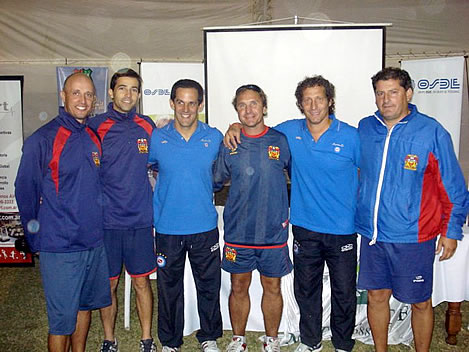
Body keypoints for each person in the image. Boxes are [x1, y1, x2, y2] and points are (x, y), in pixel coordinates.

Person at [225, 76, 360, 352]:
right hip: (304, 227)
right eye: (307, 100)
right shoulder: (289, 133)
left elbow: (367, 173)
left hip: (342, 227)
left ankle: (343, 344)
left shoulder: (351, 136)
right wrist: (234, 125)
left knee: (344, 292)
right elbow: (256, 130)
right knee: (306, 290)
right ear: (300, 104)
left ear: (330, 101)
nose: (313, 105)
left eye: (319, 98)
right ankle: (311, 342)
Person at [356, 67, 469, 352]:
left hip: (413, 236)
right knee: (377, 296)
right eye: (380, 93)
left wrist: (451, 230)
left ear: (408, 93)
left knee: (419, 301)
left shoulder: (431, 131)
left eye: (393, 92)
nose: (386, 99)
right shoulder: (366, 128)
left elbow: (453, 187)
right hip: (373, 236)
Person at [15, 72, 111, 352]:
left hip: (93, 242)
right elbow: (25, 190)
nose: (83, 100)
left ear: (95, 100)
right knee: (61, 322)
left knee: (84, 308)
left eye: (89, 94)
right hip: (61, 246)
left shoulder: (93, 136)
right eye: (76, 93)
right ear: (63, 96)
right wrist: (36, 237)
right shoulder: (43, 139)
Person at [214, 85, 292, 352]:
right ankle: (239, 339)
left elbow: (297, 175)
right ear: (237, 110)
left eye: (254, 104)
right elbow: (216, 180)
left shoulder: (281, 140)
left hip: (273, 232)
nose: (248, 110)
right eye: (242, 105)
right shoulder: (229, 143)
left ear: (264, 107)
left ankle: (272, 340)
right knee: (238, 286)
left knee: (272, 286)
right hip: (239, 231)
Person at [148, 79, 223, 352]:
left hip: (204, 225)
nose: (186, 108)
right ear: (171, 103)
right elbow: (142, 168)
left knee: (209, 285)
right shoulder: (157, 138)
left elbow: (222, 174)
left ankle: (209, 337)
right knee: (169, 288)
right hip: (168, 227)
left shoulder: (214, 137)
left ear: (200, 105)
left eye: (192, 102)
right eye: (180, 102)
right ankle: (170, 342)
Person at [88, 68, 157, 352]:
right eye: (123, 88)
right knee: (109, 285)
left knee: (142, 282)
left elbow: (158, 164)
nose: (128, 94)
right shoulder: (96, 125)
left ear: (139, 94)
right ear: (111, 92)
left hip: (140, 219)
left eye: (134, 89)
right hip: (107, 221)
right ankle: (109, 338)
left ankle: (146, 339)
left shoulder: (147, 125)